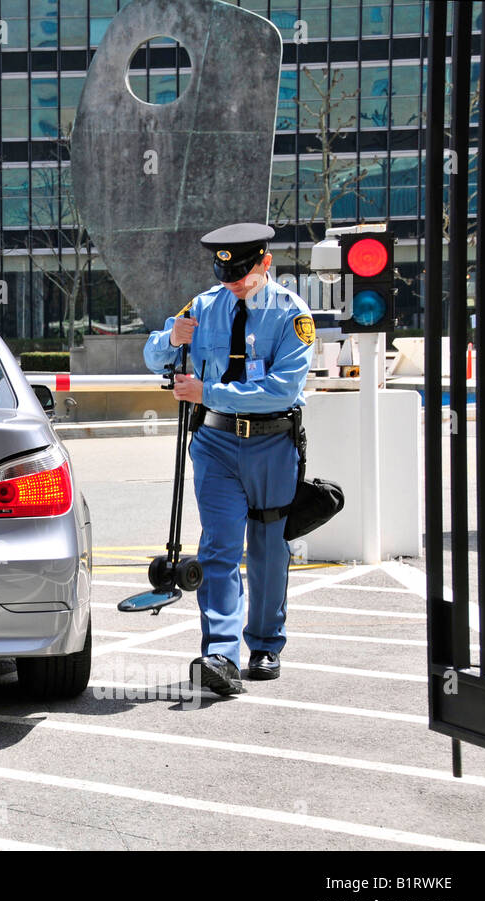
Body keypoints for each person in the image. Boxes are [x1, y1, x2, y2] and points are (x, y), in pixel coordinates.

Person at [143, 223, 315, 696]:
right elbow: (152, 354)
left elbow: (282, 389)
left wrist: (208, 390)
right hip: (216, 443)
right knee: (219, 546)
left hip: (272, 444)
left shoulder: (291, 315)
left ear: (265, 263)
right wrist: (171, 340)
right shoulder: (201, 307)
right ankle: (221, 653)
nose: (234, 282)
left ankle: (265, 644)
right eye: (226, 275)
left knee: (268, 547)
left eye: (242, 272)